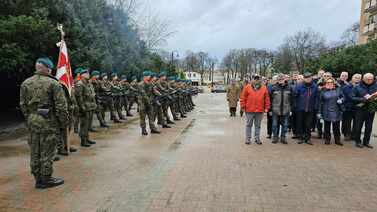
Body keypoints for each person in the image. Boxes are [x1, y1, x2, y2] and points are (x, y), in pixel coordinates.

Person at [20, 57, 68, 189]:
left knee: (35, 150)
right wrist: (63, 123)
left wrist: (30, 118)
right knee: (48, 151)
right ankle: (46, 179)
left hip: (33, 120)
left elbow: (23, 105)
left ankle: (37, 178)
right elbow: (61, 106)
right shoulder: (53, 84)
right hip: (48, 121)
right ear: (47, 68)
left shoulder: (26, 83)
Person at [240, 75, 270, 145]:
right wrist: (243, 107)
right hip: (249, 110)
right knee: (248, 125)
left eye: (257, 79)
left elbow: (267, 99)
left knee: (258, 125)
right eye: (255, 79)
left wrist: (266, 108)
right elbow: (243, 98)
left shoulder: (264, 88)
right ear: (252, 79)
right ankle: (248, 139)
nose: (256, 80)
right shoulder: (247, 87)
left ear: (260, 80)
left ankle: (257, 138)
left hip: (259, 110)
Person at [352, 73, 377, 148]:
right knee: (358, 126)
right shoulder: (357, 87)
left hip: (371, 109)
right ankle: (358, 141)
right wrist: (363, 99)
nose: (369, 81)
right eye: (367, 79)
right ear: (363, 79)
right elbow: (352, 98)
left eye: (371, 79)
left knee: (369, 127)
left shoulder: (375, 86)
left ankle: (366, 142)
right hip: (360, 109)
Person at [318, 78, 344, 145]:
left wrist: (341, 100)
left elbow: (343, 97)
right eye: (328, 82)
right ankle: (327, 139)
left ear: (333, 83)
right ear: (326, 84)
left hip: (336, 111)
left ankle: (337, 140)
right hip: (326, 111)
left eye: (331, 82)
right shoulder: (322, 91)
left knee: (336, 127)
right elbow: (320, 102)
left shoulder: (338, 90)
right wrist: (319, 112)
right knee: (327, 127)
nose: (330, 84)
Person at [74, 68, 97, 147]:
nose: (88, 74)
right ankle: (83, 140)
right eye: (86, 73)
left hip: (90, 106)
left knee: (88, 124)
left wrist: (94, 104)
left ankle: (87, 138)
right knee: (84, 124)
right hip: (84, 107)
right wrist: (82, 107)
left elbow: (92, 95)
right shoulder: (80, 84)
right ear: (82, 75)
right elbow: (79, 98)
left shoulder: (89, 84)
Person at [294, 72, 318, 145]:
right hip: (300, 108)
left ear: (311, 78)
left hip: (310, 108)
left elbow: (316, 97)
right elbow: (295, 96)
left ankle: (308, 138)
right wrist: (296, 106)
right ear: (304, 78)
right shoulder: (299, 86)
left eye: (309, 77)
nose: (308, 79)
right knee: (300, 123)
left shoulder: (314, 86)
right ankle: (301, 137)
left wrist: (315, 106)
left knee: (308, 124)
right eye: (306, 78)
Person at [270, 74, 293, 144]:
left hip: (286, 110)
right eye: (279, 79)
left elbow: (292, 99)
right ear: (277, 80)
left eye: (282, 79)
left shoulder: (289, 88)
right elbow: (270, 100)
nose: (281, 80)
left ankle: (283, 137)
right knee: (274, 125)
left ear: (284, 79)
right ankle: (275, 137)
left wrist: (291, 109)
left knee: (285, 125)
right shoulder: (274, 88)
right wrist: (270, 109)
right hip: (275, 110)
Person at [138, 71, 161, 135]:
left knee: (151, 116)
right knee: (143, 118)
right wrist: (148, 101)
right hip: (143, 103)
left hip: (149, 103)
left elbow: (154, 91)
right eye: (149, 76)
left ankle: (153, 129)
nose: (150, 77)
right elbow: (143, 94)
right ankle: (143, 130)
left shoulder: (151, 83)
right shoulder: (140, 84)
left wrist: (159, 94)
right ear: (145, 77)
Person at [342, 74, 361, 141]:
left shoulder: (361, 87)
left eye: (359, 78)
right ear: (352, 78)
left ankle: (354, 135)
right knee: (347, 122)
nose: (357, 79)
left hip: (358, 108)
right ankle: (347, 135)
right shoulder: (346, 87)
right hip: (348, 107)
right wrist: (362, 98)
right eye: (356, 77)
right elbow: (350, 97)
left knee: (356, 123)